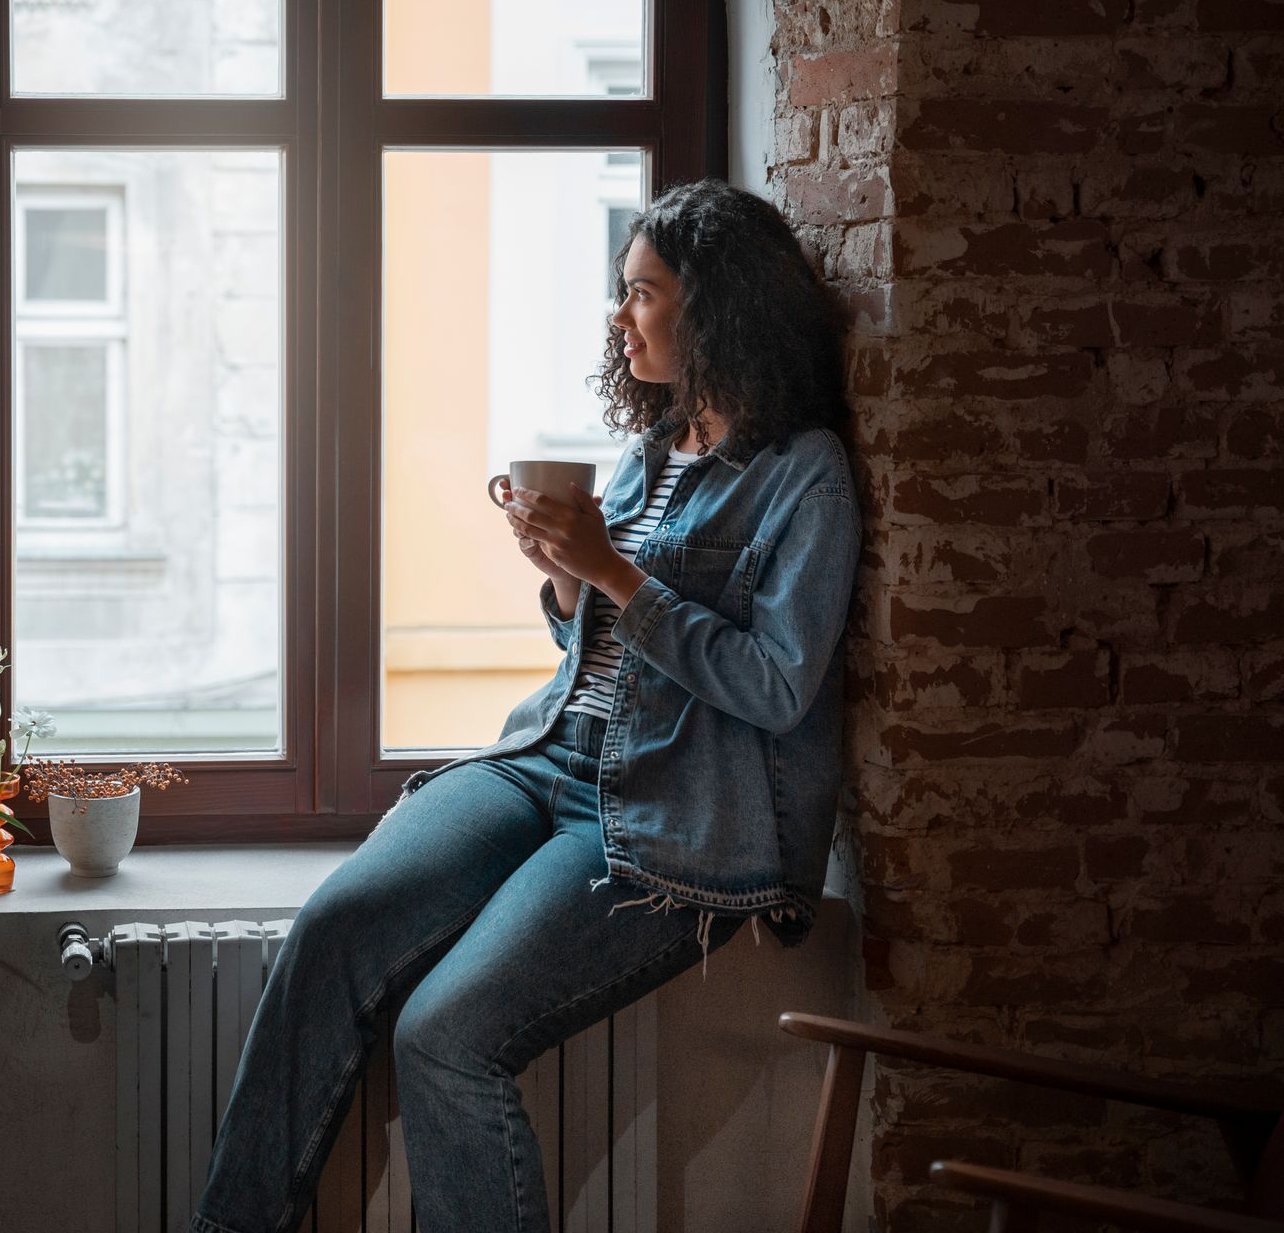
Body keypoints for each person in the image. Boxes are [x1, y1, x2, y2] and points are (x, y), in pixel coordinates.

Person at [189, 178, 863, 1233]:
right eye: (621, 290)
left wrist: (617, 574)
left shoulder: (802, 476)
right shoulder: (651, 447)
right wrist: (564, 576)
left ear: (718, 306)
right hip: (548, 755)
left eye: (642, 293)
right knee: (329, 927)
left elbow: (778, 684)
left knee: (444, 1034)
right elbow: (587, 645)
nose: (620, 315)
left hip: (664, 814)